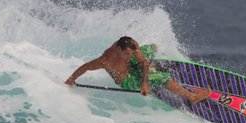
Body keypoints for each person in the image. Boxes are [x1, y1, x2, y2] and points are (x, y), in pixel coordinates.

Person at [65, 36, 211, 104]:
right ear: (118, 49)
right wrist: (72, 79)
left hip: (135, 70)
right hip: (127, 80)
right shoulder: (106, 60)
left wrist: (145, 82)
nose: (130, 55)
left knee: (152, 48)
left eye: (131, 53)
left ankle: (151, 72)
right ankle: (192, 98)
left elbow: (144, 62)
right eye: (127, 54)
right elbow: (85, 67)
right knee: (161, 77)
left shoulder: (132, 46)